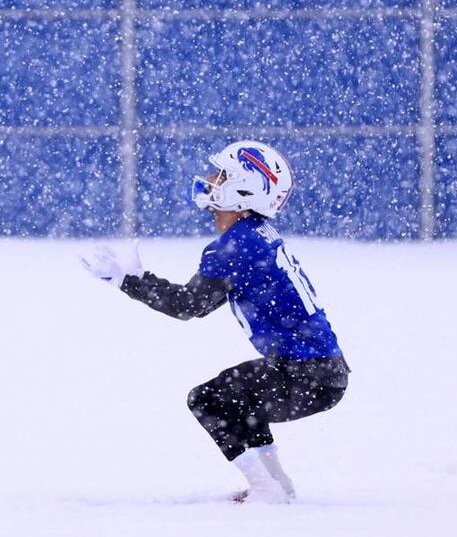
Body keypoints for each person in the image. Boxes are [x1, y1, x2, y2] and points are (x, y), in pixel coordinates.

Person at [81, 140, 349, 504]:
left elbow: (188, 305)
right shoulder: (254, 237)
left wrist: (128, 280)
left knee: (208, 400)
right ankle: (277, 485)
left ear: (244, 189)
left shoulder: (237, 246)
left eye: (222, 175)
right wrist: (139, 280)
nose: (211, 179)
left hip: (305, 374)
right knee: (236, 395)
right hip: (319, 372)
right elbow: (202, 303)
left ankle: (267, 491)